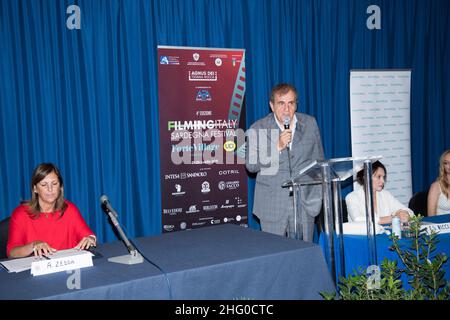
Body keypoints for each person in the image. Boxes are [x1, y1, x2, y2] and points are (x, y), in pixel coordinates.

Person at [245, 83, 324, 241]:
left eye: (291, 103)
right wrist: (277, 147)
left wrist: (316, 194)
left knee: (303, 254)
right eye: (281, 103)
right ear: (272, 105)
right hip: (272, 206)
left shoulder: (310, 124)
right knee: (275, 257)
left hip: (305, 203)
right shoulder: (257, 128)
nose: (286, 109)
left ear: (296, 104)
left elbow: (319, 161)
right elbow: (251, 166)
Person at [6, 163, 96, 258]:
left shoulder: (69, 209)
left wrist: (90, 239)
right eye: (44, 185)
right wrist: (33, 246)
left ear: (60, 187)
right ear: (35, 189)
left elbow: (88, 235)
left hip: (68, 268)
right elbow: (11, 253)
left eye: (54, 184)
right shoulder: (20, 214)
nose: (50, 189)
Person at [345, 160, 413, 225]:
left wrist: (403, 214)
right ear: (366, 177)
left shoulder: (385, 194)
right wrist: (393, 218)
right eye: (379, 177)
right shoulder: (352, 197)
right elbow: (358, 220)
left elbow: (410, 212)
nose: (383, 181)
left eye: (383, 177)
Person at [428, 150, 450, 216]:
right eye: (446, 163)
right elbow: (431, 216)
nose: (449, 166)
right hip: (442, 224)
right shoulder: (436, 187)